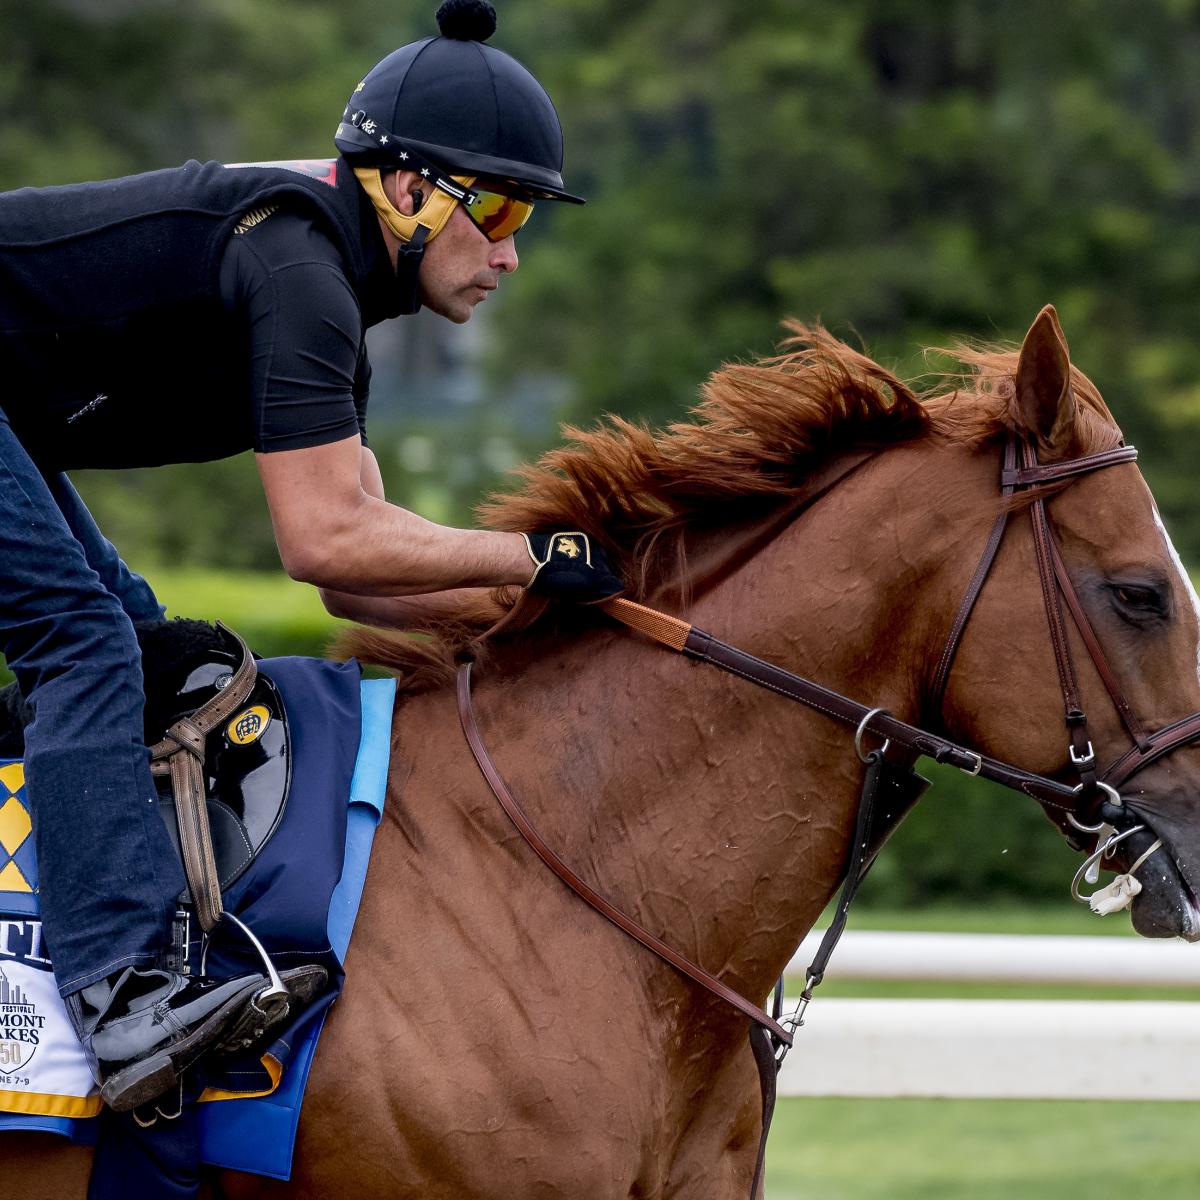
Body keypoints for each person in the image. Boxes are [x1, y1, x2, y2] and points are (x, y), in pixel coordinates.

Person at [0, 0, 621, 1113]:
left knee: (140, 646)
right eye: (504, 207)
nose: (515, 252)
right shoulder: (297, 266)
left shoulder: (325, 274)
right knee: (84, 645)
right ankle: (121, 997)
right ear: (411, 187)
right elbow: (324, 538)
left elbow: (352, 577)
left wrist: (540, 600)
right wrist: (529, 556)